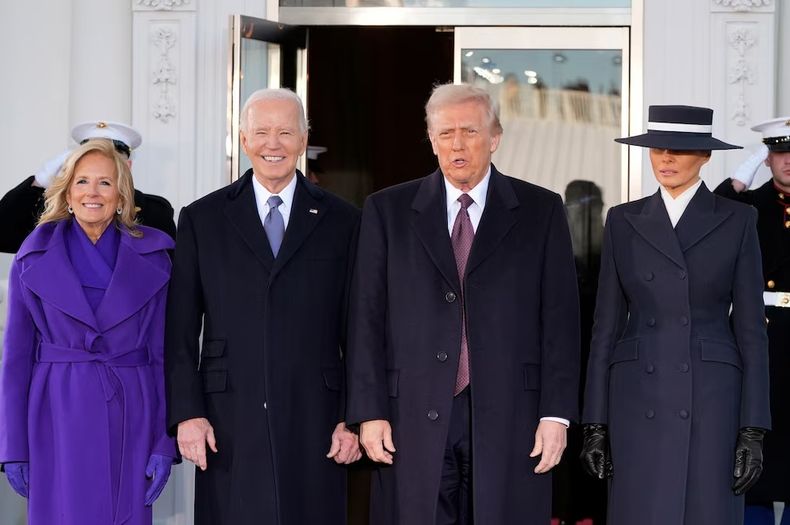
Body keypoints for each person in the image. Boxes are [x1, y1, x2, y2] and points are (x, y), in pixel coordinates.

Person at [346, 83, 581, 525]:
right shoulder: (387, 210)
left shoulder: (541, 210)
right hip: (410, 414)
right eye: (446, 133)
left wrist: (557, 414)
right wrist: (368, 411)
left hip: (514, 414)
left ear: (495, 138)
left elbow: (561, 321)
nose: (458, 145)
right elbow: (365, 318)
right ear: (431, 140)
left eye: (470, 132)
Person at [165, 88, 361, 525]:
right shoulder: (202, 218)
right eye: (262, 132)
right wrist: (187, 414)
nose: (274, 144)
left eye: (286, 132)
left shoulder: (344, 220)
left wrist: (354, 416)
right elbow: (178, 329)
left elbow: (360, 329)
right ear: (243, 139)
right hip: (226, 415)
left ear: (304, 138)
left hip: (318, 415)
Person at [581, 105, 771, 525]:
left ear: (704, 156)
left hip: (712, 397)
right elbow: (605, 328)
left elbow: (752, 329)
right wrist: (594, 421)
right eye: (657, 149)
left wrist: (753, 427)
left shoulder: (738, 219)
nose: (665, 159)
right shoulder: (622, 220)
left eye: (679, 150)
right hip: (635, 397)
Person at [0, 139, 177, 524]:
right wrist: (13, 447)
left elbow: (166, 356)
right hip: (55, 416)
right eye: (81, 182)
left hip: (132, 413)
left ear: (122, 194)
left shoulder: (155, 258)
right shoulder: (32, 257)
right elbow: (15, 361)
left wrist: (166, 442)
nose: (92, 193)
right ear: (66, 192)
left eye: (104, 183)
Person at [714, 116, 790, 525]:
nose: (788, 161)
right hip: (756, 338)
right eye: (779, 152)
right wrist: (740, 178)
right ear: (767, 158)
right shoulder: (748, 206)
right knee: (753, 458)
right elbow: (706, 218)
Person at [0, 120, 176, 253]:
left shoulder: (153, 211)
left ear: (127, 166)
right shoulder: (58, 206)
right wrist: (41, 181)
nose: (92, 192)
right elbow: (4, 236)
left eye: (111, 159)